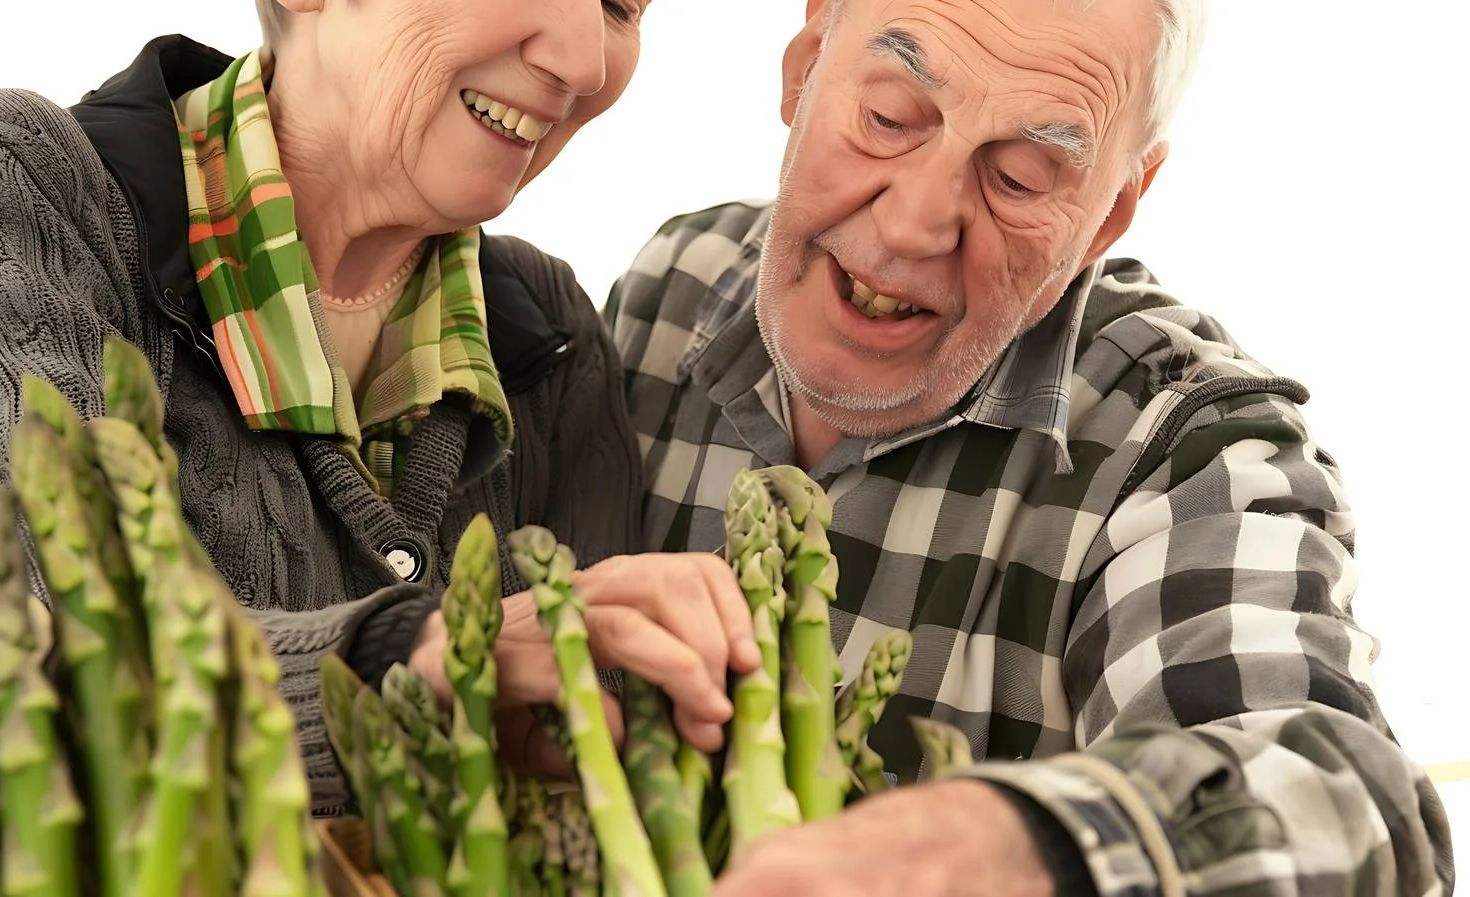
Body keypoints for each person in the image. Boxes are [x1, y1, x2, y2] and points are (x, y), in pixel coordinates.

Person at [605, 0, 1457, 893]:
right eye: (889, 118)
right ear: (806, 62)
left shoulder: (1190, 448)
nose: (914, 224)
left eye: (1017, 177)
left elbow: (1352, 804)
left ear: (1108, 217)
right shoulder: (670, 284)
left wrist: (1031, 841)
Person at [0, 0, 759, 816]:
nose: (584, 61)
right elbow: (48, 686)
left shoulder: (551, 332)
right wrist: (402, 657)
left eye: (621, 5)